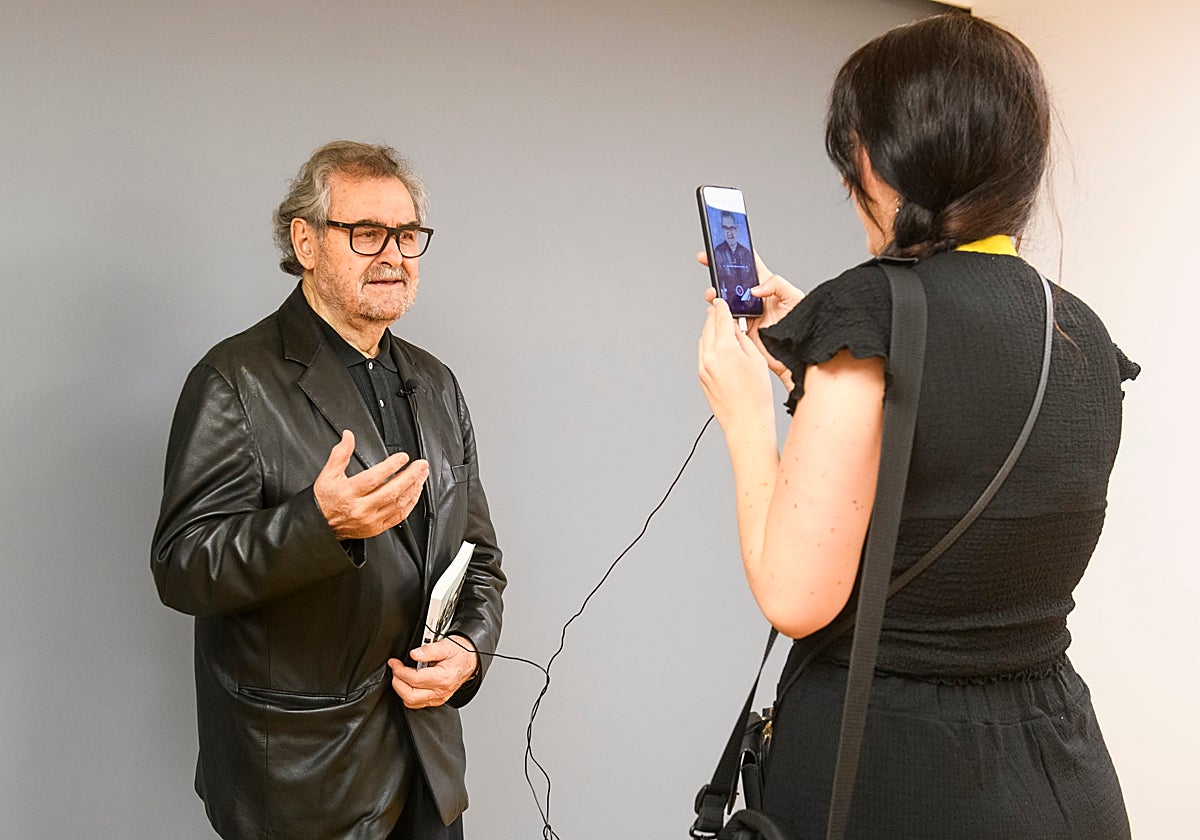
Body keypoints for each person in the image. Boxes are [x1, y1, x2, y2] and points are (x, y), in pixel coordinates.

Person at [697, 14, 1135, 839]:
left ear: (882, 156)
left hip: (897, 769)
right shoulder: (1079, 327)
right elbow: (960, 449)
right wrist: (830, 355)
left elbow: (795, 597)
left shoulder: (869, 307)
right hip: (1061, 767)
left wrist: (745, 410)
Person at [152, 141, 505, 840]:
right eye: (366, 232)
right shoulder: (233, 380)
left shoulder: (437, 383)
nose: (394, 255)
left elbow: (480, 560)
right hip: (301, 779)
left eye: (407, 234)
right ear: (306, 241)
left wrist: (469, 651)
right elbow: (183, 567)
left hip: (428, 767)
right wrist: (319, 526)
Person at [712, 210, 757, 304]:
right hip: (727, 303)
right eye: (726, 228)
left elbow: (751, 283)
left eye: (732, 228)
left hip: (748, 303)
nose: (729, 233)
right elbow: (720, 282)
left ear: (737, 228)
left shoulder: (746, 253)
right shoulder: (718, 252)